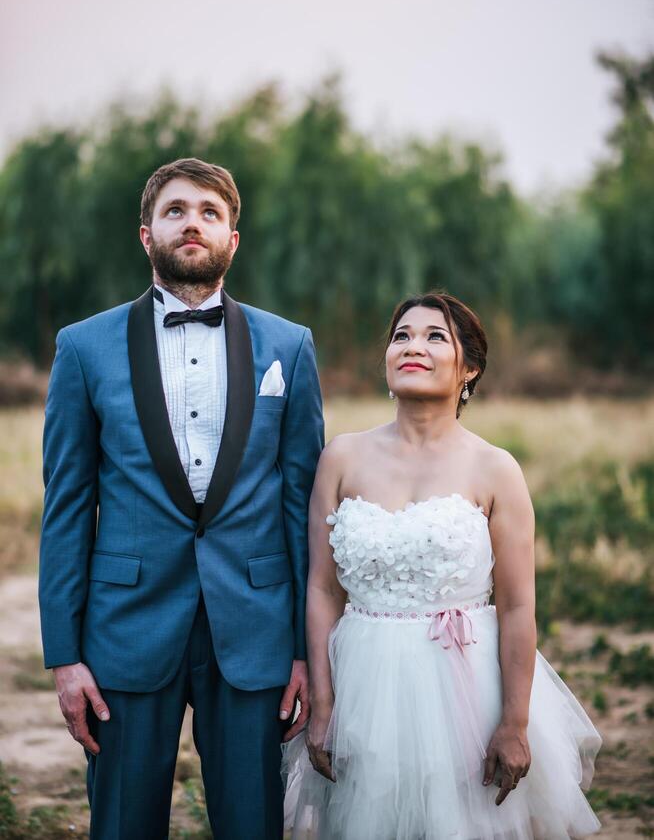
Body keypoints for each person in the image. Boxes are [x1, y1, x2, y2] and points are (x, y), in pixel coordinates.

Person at [38, 157, 324, 840]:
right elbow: (68, 506)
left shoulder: (291, 345)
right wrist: (64, 655)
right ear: (146, 235)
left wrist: (305, 651)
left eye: (209, 212)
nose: (191, 222)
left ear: (232, 238)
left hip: (255, 629)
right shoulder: (82, 348)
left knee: (253, 824)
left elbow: (301, 505)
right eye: (175, 210)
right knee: (123, 824)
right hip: (123, 629)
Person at [283, 292, 601, 840]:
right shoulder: (341, 457)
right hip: (364, 686)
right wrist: (325, 705)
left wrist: (515, 722)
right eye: (401, 335)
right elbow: (322, 589)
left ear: (469, 368)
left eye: (435, 337)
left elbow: (519, 604)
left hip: (466, 689)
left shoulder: (495, 468)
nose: (413, 347)